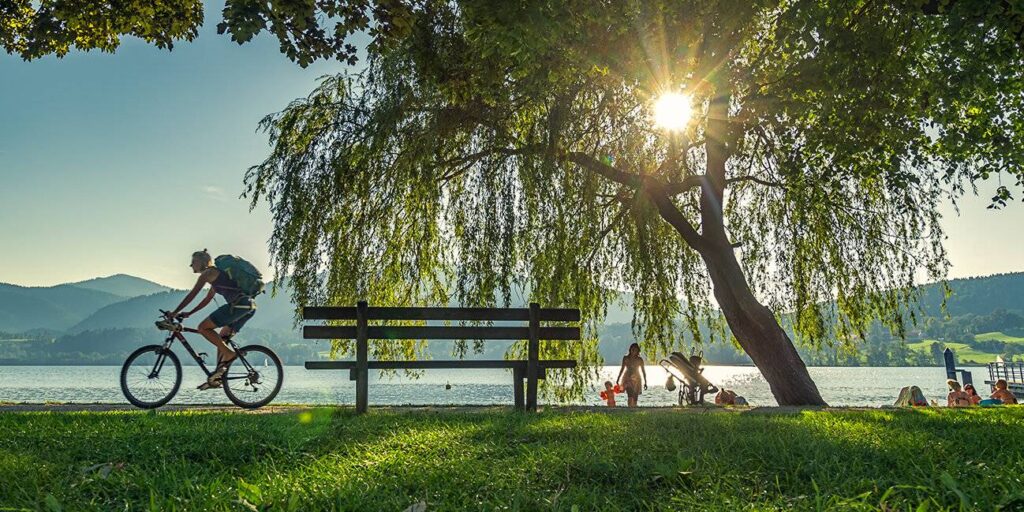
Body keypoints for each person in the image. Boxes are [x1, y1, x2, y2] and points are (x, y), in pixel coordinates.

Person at [168, 249, 258, 390]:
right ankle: (218, 375)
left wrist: (174, 312)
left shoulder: (207, 274)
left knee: (203, 328)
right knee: (222, 337)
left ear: (201, 261)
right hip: (248, 306)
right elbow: (207, 299)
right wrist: (190, 313)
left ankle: (229, 354)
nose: (191, 265)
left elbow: (192, 294)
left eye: (193, 262)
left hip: (238, 305)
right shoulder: (216, 275)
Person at [616, 343, 647, 407]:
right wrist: (618, 379)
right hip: (627, 377)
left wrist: (645, 382)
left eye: (635, 350)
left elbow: (643, 371)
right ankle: (629, 407)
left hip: (637, 378)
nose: (633, 351)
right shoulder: (625, 358)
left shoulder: (639, 360)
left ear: (637, 351)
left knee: (635, 395)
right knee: (630, 394)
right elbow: (622, 369)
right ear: (630, 350)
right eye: (632, 349)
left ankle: (634, 407)